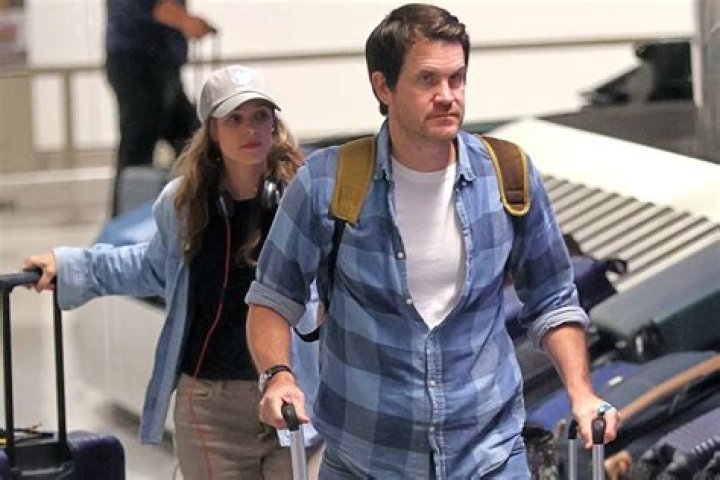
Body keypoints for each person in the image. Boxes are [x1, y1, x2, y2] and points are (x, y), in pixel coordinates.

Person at [245, 3, 620, 478]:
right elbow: (273, 298)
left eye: (456, 79)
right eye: (427, 80)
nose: (447, 96)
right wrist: (278, 376)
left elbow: (553, 298)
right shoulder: (326, 184)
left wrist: (581, 393)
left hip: (489, 455)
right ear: (383, 87)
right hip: (367, 459)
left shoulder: (507, 176)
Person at [24, 64, 323, 479]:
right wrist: (70, 264)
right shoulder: (183, 203)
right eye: (234, 119)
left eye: (260, 116)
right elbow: (150, 266)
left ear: (275, 123)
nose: (250, 129)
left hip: (294, 394)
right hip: (211, 404)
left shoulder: (304, 196)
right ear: (212, 130)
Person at [105, 0, 214, 216]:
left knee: (194, 142)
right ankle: (126, 220)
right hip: (140, 65)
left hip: (160, 64)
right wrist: (186, 21)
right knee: (139, 146)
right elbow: (151, 7)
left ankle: (200, 212)